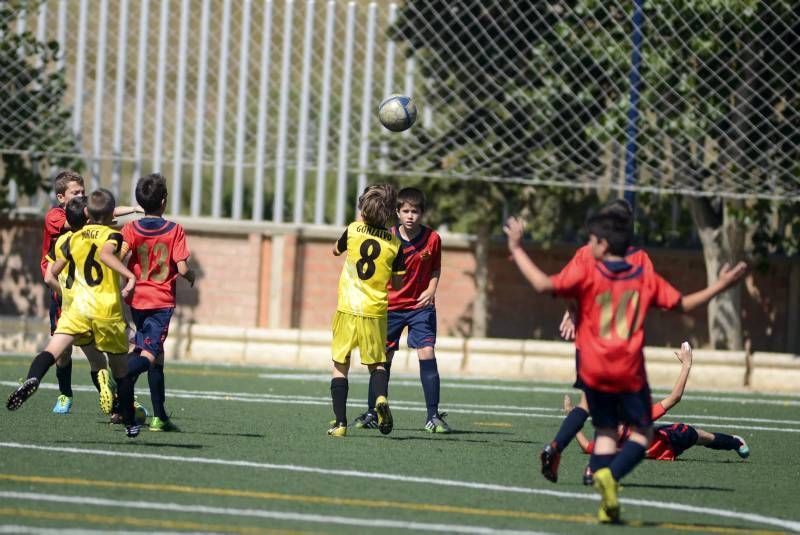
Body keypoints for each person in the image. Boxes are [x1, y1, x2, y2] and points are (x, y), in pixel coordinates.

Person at [504, 210, 746, 523]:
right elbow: (684, 304)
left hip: (593, 367)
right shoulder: (643, 276)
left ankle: (607, 498)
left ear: (603, 245)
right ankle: (610, 477)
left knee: (605, 431)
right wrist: (722, 284)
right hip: (628, 370)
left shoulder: (588, 274)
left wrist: (517, 248)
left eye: (592, 241)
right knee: (643, 433)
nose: (588, 246)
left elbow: (541, 284)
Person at [8, 188, 142, 438]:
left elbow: (51, 273)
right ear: (109, 214)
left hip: (77, 307)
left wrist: (67, 293)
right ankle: (129, 421)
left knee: (52, 350)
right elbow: (108, 255)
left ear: (88, 212)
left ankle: (33, 378)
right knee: (121, 371)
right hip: (106, 309)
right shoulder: (114, 235)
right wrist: (129, 275)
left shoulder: (70, 239)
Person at [568, 342, 750, 485]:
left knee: (703, 437)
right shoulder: (607, 440)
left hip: (672, 437)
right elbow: (586, 446)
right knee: (702, 438)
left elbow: (674, 398)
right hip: (665, 453)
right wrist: (572, 419)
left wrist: (686, 365)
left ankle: (734, 441)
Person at [39, 170, 141, 414]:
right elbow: (80, 219)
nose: (81, 196)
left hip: (88, 295)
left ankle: (117, 400)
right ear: (61, 197)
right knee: (63, 353)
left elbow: (101, 213)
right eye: (76, 193)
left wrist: (135, 209)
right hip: (62, 291)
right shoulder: (55, 216)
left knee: (103, 353)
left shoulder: (86, 220)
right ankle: (65, 394)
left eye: (83, 193)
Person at [353, 188, 450, 433]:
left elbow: (436, 269)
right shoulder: (387, 237)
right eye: (405, 211)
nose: (410, 216)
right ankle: (373, 412)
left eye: (415, 211)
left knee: (426, 352)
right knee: (382, 359)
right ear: (396, 212)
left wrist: (432, 289)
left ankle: (433, 416)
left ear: (422, 213)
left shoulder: (433, 239)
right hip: (390, 306)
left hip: (420, 307)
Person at [328, 184, 406, 437]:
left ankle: (340, 424)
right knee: (378, 365)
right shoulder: (395, 244)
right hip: (375, 311)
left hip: (348, 308)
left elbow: (335, 250)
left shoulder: (352, 230)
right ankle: (381, 398)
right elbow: (397, 283)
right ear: (391, 214)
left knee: (341, 364)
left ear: (363, 209)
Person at [120, 173, 194, 432]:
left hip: (137, 300)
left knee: (155, 354)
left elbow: (119, 255)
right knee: (149, 354)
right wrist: (192, 275)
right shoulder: (175, 230)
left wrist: (127, 279)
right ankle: (122, 378)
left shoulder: (129, 229)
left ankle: (160, 415)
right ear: (163, 201)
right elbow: (183, 269)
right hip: (161, 302)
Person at [43, 196, 119, 417]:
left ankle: (60, 390)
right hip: (88, 305)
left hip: (72, 305)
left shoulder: (63, 242)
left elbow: (49, 277)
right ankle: (116, 403)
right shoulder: (99, 240)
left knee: (63, 351)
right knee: (98, 358)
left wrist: (67, 294)